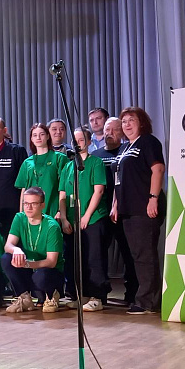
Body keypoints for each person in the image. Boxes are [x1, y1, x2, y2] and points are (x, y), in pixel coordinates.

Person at [111, 107, 166, 315]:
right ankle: (143, 298)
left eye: (131, 120)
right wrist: (115, 204)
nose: (126, 124)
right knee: (137, 256)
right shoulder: (125, 147)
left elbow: (158, 169)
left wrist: (153, 198)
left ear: (141, 122)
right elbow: (118, 179)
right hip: (127, 209)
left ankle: (148, 302)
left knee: (145, 255)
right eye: (124, 121)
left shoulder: (148, 142)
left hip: (144, 207)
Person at [58, 128, 108, 311]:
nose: (78, 143)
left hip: (92, 219)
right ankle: (80, 295)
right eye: (75, 140)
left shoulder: (96, 163)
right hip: (72, 220)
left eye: (81, 139)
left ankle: (97, 296)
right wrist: (64, 218)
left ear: (88, 141)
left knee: (94, 258)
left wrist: (86, 215)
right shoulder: (68, 166)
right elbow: (62, 194)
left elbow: (98, 190)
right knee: (75, 259)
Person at [92, 117, 137, 303]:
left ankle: (132, 293)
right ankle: (100, 294)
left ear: (122, 132)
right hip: (101, 212)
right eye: (106, 130)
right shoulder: (96, 155)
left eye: (114, 130)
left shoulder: (127, 151)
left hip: (124, 210)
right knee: (99, 254)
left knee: (128, 253)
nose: (109, 134)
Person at [1, 187, 65, 313]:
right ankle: (24, 298)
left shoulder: (52, 226)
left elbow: (51, 262)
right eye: (26, 203)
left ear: (42, 205)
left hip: (48, 271)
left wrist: (27, 264)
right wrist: (16, 250)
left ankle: (52, 296)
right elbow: (8, 245)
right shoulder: (19, 218)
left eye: (33, 204)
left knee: (40, 276)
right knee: (6, 258)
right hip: (30, 269)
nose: (28, 207)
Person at [15, 123, 70, 219]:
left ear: (48, 136)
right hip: (31, 213)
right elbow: (24, 190)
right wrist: (21, 215)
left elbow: (65, 187)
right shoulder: (27, 163)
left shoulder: (60, 158)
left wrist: (60, 211)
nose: (38, 138)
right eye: (35, 135)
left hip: (52, 210)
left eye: (42, 134)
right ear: (31, 139)